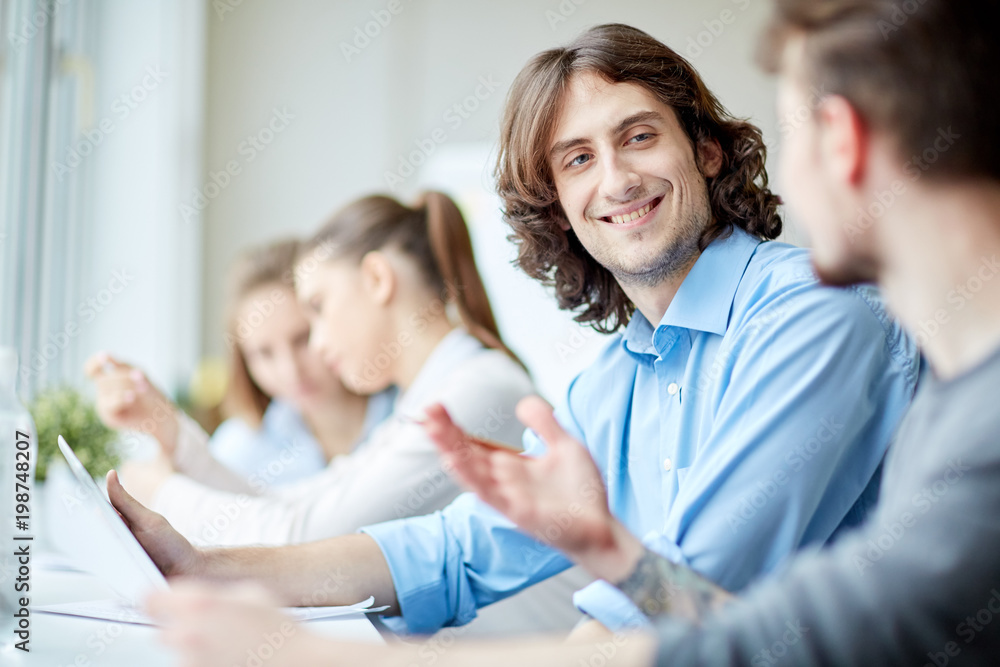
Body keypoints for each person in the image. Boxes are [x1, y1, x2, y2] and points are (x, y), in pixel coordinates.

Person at [123, 0, 1000, 664]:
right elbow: (461, 547)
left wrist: (317, 657)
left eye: (639, 136)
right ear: (559, 207)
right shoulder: (614, 379)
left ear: (706, 151)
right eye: (578, 159)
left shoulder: (811, 314)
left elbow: (699, 609)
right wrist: (210, 564)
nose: (615, 178)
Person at [87, 239, 395, 495]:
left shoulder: (407, 409)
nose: (291, 371)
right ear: (244, 362)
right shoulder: (240, 448)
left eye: (302, 338)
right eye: (263, 353)